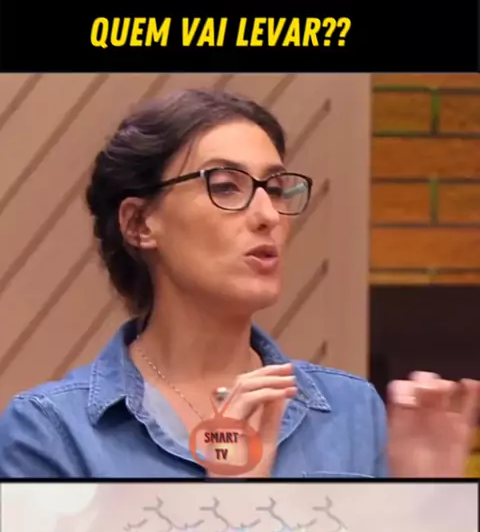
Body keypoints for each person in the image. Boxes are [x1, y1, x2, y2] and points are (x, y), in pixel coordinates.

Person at [0, 88, 478, 479]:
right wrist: (231, 506)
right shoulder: (52, 430)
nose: (268, 214)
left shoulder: (349, 409)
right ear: (140, 223)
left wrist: (425, 501)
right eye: (226, 186)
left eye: (276, 188)